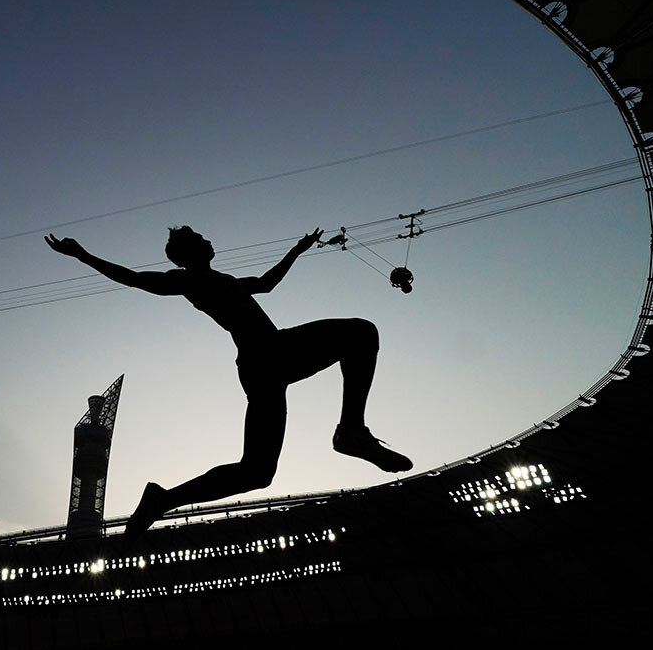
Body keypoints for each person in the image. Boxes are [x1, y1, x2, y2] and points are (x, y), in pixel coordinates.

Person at [45, 225, 412, 539]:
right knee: (361, 333)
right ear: (186, 253)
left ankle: (163, 499)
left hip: (264, 365)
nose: (208, 239)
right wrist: (83, 255)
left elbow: (266, 284)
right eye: (199, 237)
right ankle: (350, 430)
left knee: (257, 472)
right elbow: (135, 279)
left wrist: (296, 251)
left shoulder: (225, 281)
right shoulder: (187, 280)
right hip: (270, 353)